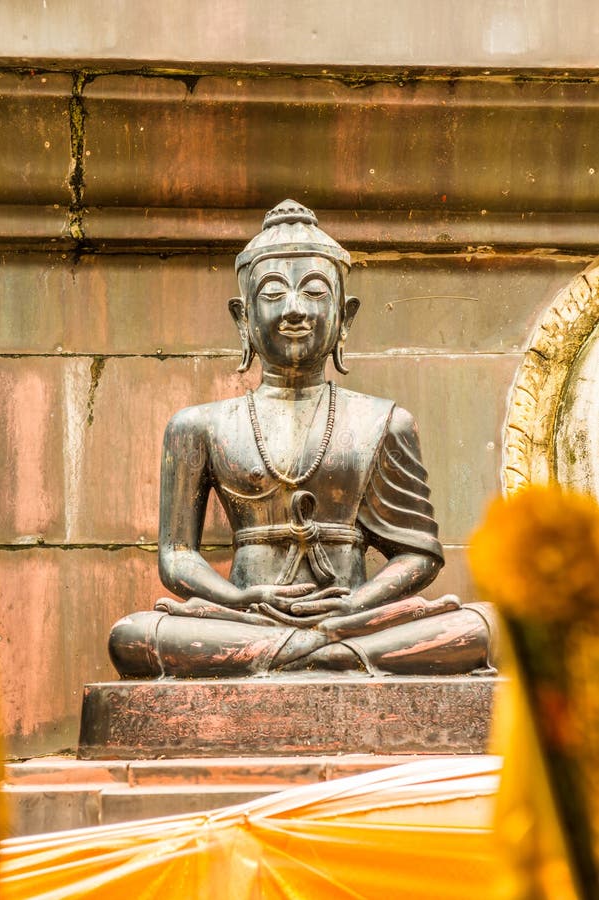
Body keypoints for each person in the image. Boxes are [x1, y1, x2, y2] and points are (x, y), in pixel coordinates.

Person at [109, 200, 494, 678]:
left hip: (353, 619)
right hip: (247, 619)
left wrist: (354, 605)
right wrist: (241, 597)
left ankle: (313, 650)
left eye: (314, 292)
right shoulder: (197, 427)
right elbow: (177, 556)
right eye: (272, 294)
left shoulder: (383, 421)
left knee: (482, 626)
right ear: (242, 318)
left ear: (344, 317)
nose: (294, 310)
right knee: (131, 636)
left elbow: (417, 554)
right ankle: (329, 656)